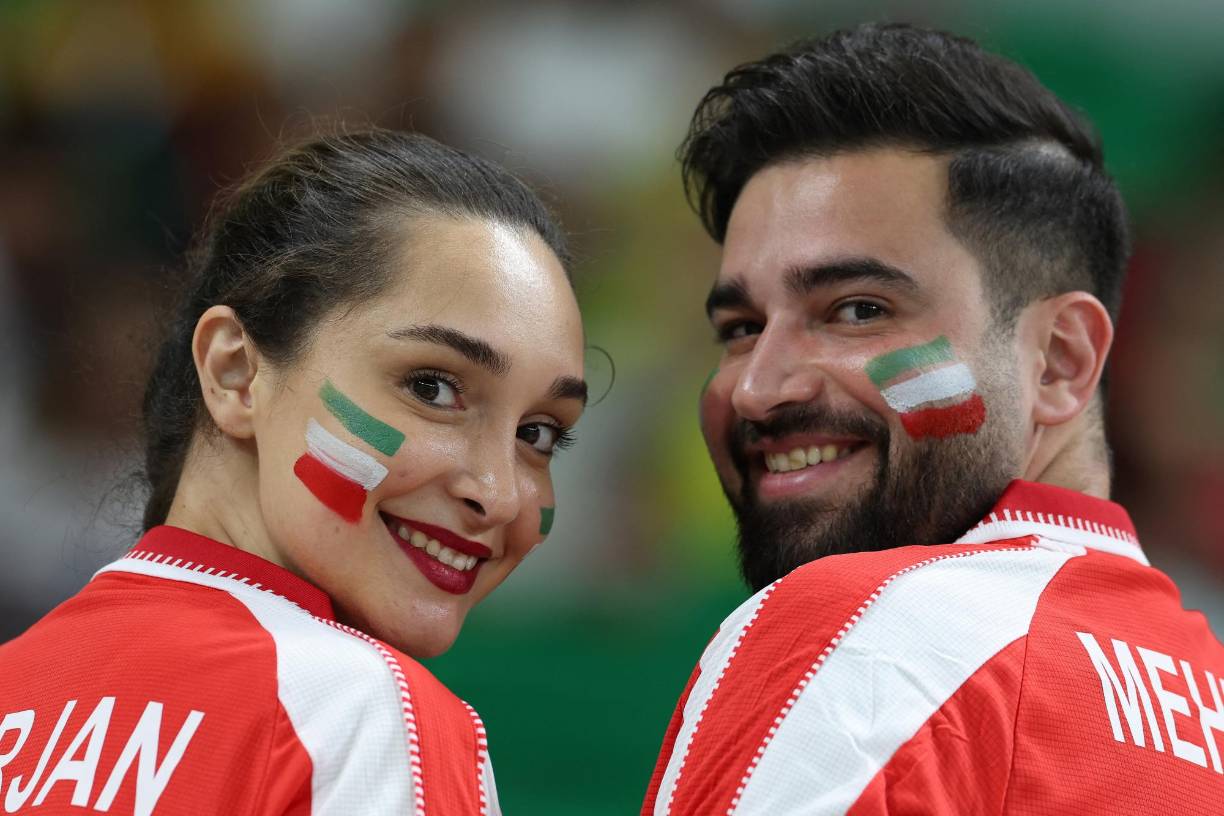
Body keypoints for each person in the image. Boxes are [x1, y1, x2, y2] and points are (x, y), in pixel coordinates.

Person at [644, 23, 1224, 815]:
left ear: (1059, 360)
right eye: (741, 327)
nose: (756, 389)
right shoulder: (1202, 688)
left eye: (855, 309)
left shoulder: (864, 635)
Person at [0, 129, 586, 814]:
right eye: (432, 387)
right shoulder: (358, 711)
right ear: (235, 371)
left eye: (539, 435)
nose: (499, 494)